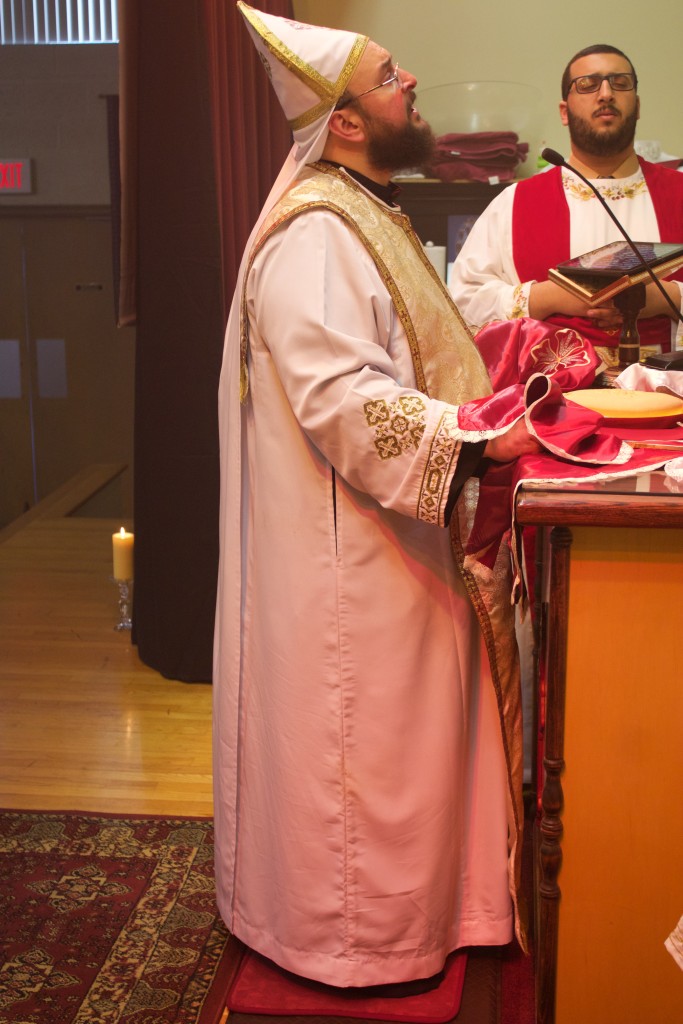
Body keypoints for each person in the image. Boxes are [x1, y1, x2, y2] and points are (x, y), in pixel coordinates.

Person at [213, 3, 539, 989]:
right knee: (365, 754)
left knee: (415, 744)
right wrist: (472, 439)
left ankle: (439, 907)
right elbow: (342, 400)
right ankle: (354, 937)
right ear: (345, 120)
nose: (411, 84)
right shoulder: (315, 233)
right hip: (346, 555)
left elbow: (407, 356)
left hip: (388, 533)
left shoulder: (365, 209)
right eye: (390, 77)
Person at [450, 44, 683, 367]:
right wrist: (547, 297)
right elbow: (462, 303)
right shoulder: (515, 203)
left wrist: (668, 298)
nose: (606, 94)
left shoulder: (678, 193)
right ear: (564, 111)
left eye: (620, 83)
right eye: (588, 84)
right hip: (552, 390)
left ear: (638, 105)